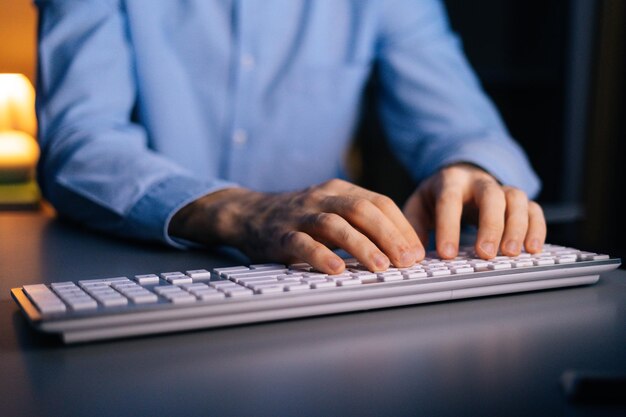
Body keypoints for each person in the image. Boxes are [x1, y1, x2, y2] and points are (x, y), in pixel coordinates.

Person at [35, 0, 546, 274]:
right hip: (132, 275)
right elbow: (79, 144)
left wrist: (470, 171)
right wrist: (237, 209)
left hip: (321, 282)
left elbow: (463, 126)